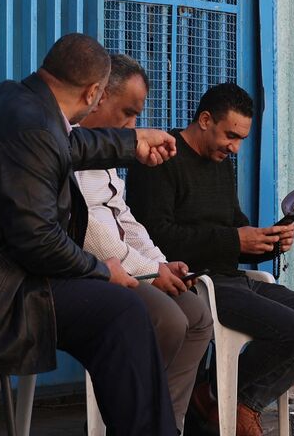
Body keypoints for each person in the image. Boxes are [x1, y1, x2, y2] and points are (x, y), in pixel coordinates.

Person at [0, 33, 180, 436]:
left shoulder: (14, 101)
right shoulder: (32, 127)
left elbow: (68, 143)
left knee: (122, 312)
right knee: (123, 312)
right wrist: (103, 270)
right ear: (93, 93)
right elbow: (39, 242)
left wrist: (133, 141)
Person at [127, 83, 294, 436]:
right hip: (196, 283)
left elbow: (234, 225)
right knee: (293, 329)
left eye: (241, 140)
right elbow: (157, 238)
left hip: (235, 279)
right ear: (205, 120)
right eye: (230, 136)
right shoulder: (161, 160)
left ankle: (226, 399)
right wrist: (236, 239)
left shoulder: (221, 165)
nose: (234, 148)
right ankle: (230, 401)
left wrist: (267, 241)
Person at [76, 54, 214, 433]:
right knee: (167, 318)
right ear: (97, 97)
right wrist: (150, 273)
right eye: (128, 112)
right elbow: (86, 229)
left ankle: (168, 422)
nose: (133, 127)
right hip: (89, 271)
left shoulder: (104, 154)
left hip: (133, 266)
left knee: (198, 316)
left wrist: (160, 263)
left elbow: (125, 218)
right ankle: (133, 423)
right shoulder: (69, 146)